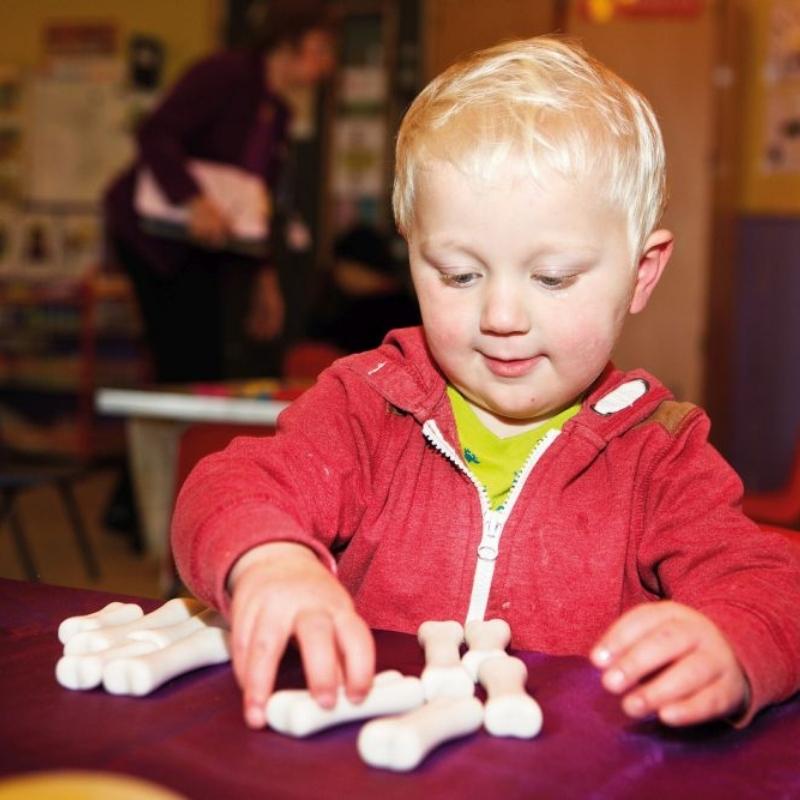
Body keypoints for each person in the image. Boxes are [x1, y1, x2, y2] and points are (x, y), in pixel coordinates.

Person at [172, 36, 800, 732]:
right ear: (411, 254)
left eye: (553, 277)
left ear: (642, 273)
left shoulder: (660, 453)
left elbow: (773, 585)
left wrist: (733, 647)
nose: (501, 317)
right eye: (459, 274)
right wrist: (268, 561)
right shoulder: (367, 405)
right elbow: (227, 488)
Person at [103, 0, 336, 383]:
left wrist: (265, 275)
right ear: (288, 41)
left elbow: (255, 203)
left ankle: (196, 439)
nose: (325, 66)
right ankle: (175, 441)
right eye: (320, 49)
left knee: (210, 357)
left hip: (210, 245)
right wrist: (193, 200)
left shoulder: (277, 115)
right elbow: (156, 134)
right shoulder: (224, 74)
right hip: (156, 237)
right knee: (184, 356)